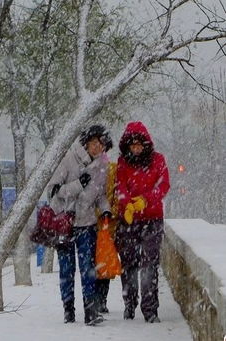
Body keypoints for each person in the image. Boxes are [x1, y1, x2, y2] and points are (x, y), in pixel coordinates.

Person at [48, 124, 113, 326]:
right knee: (67, 269)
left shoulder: (102, 166)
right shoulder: (68, 159)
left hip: (87, 223)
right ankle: (69, 310)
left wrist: (105, 209)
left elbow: (100, 194)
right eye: (94, 143)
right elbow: (54, 191)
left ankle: (90, 311)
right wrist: (79, 184)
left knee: (88, 268)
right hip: (65, 222)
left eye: (101, 145)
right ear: (86, 142)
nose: (97, 148)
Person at [115, 121, 170, 323]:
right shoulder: (123, 163)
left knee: (149, 265)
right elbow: (119, 187)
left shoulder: (158, 160)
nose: (136, 148)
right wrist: (127, 205)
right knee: (128, 264)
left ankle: (150, 309)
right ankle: (129, 303)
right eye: (132, 145)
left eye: (139, 144)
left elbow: (163, 185)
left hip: (152, 220)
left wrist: (145, 200)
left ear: (146, 144)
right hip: (128, 221)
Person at [95, 160, 118, 314]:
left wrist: (110, 212)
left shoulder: (113, 170)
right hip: (93, 225)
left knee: (104, 266)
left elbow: (118, 196)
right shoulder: (89, 170)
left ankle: (101, 300)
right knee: (95, 265)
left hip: (107, 226)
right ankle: (97, 300)